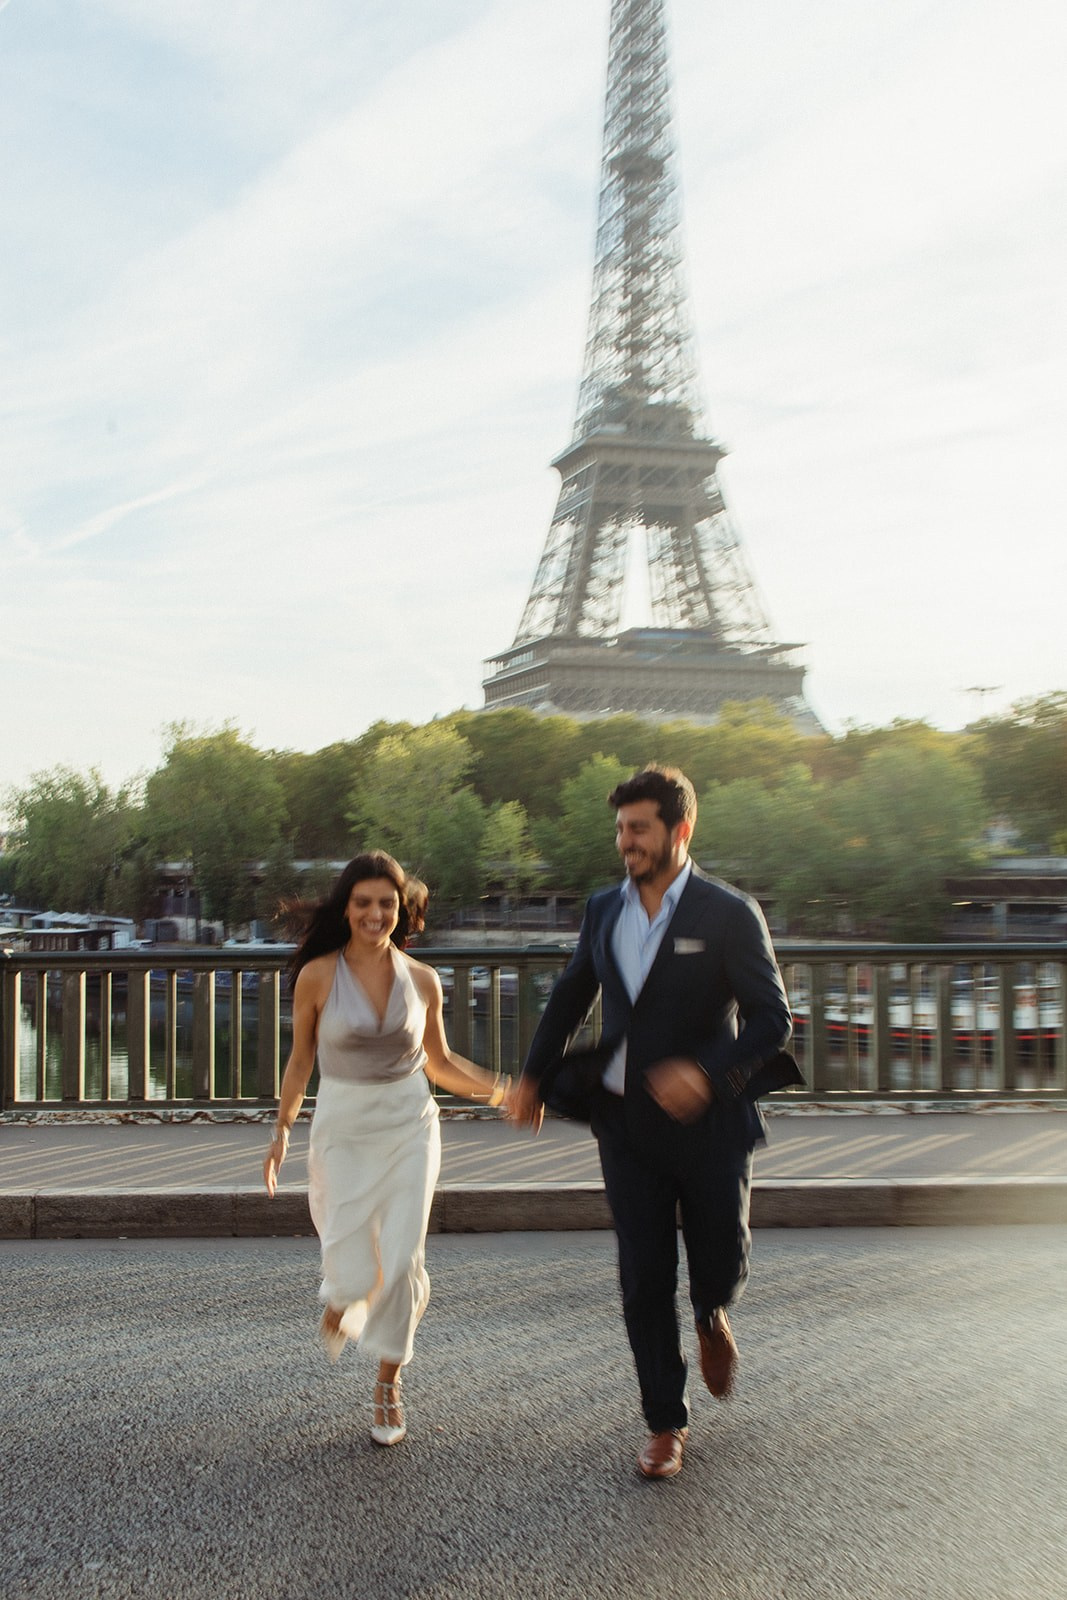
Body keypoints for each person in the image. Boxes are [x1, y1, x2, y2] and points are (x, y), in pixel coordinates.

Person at [510, 765, 801, 1480]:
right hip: (626, 1124)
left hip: (709, 1126)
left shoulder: (728, 913)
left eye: (637, 829)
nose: (625, 843)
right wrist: (531, 1078)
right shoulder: (603, 909)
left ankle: (711, 1313)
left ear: (680, 830)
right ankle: (664, 1422)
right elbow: (571, 995)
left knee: (717, 1256)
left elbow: (773, 1021)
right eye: (619, 830)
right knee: (641, 1276)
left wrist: (708, 1074)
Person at [263, 851, 513, 1447]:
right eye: (363, 903)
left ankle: (387, 1384)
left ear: (401, 910)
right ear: (346, 909)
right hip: (345, 1126)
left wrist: (504, 1091)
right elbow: (301, 1062)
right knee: (351, 1273)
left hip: (409, 1125)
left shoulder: (422, 980)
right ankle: (342, 1302)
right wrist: (280, 1131)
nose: (375, 914)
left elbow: (442, 1064)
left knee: (401, 1262)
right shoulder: (318, 976)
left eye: (386, 904)